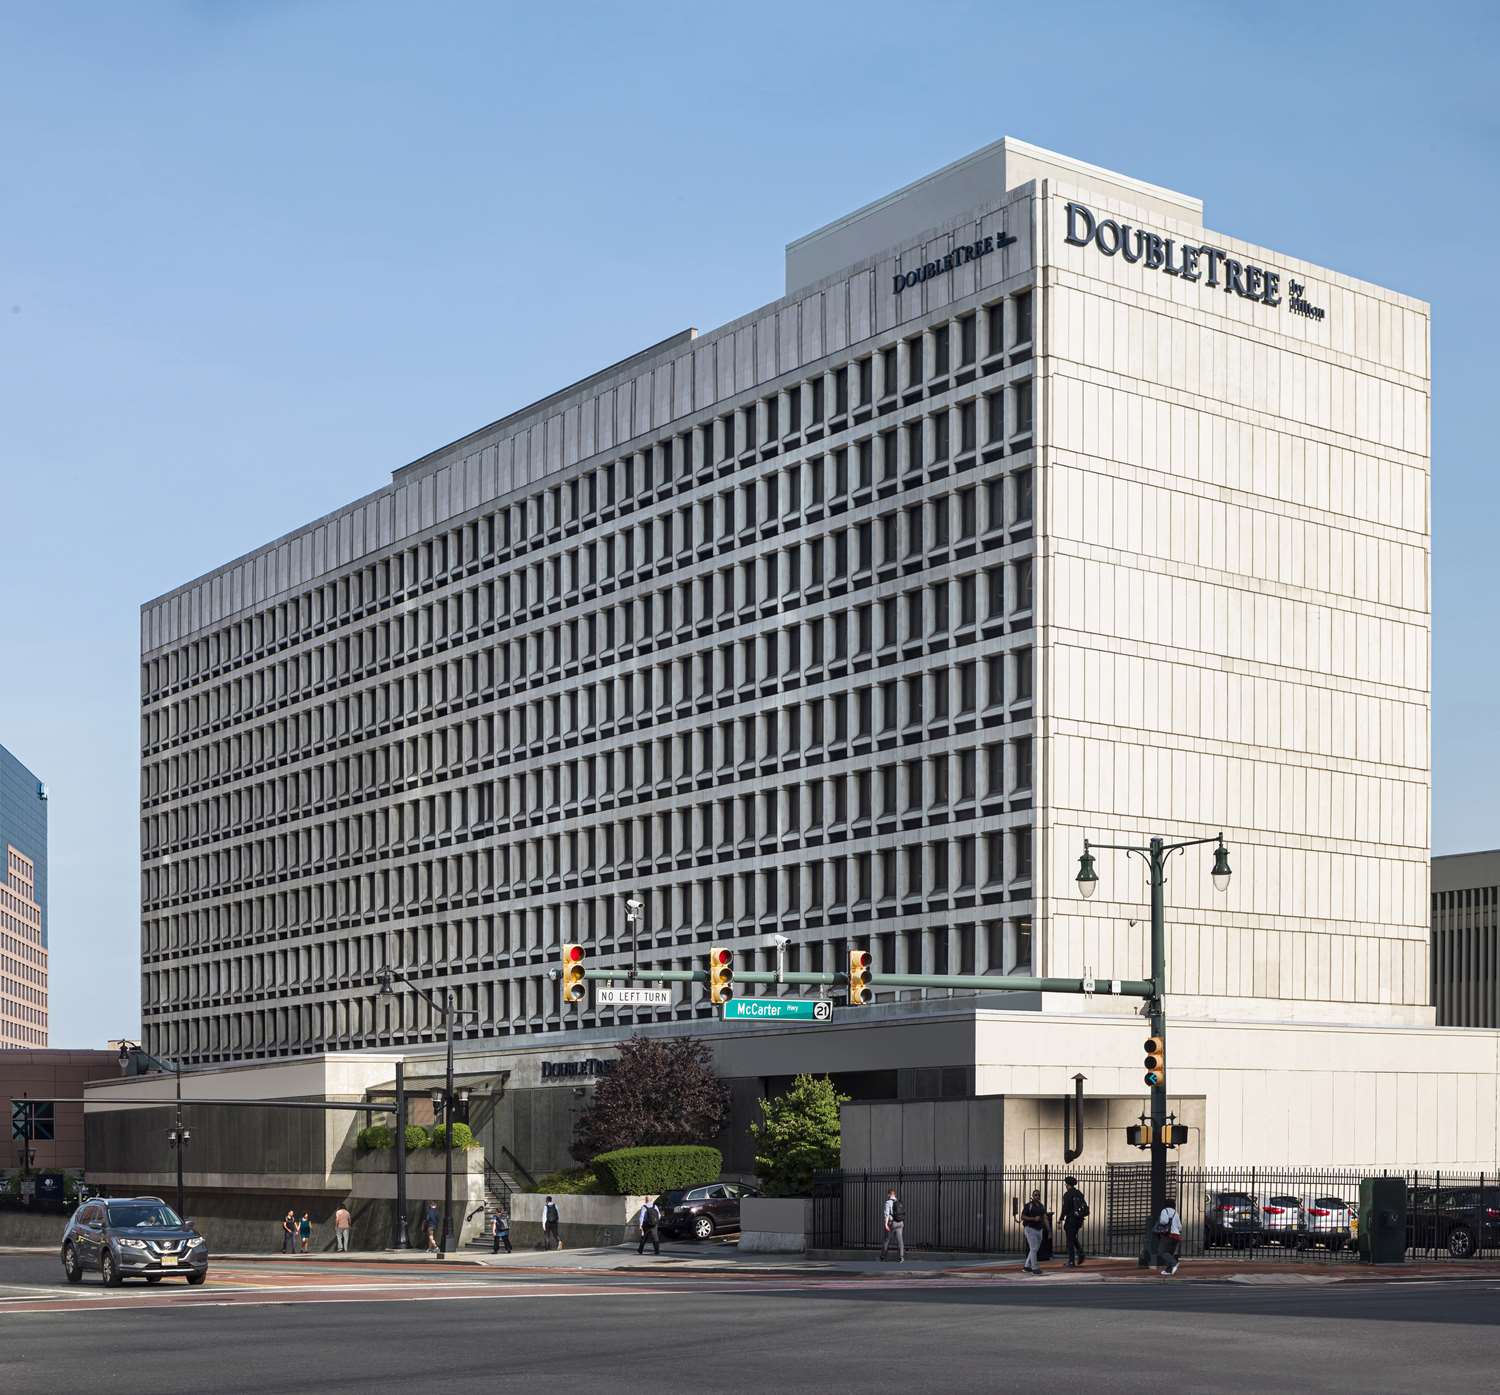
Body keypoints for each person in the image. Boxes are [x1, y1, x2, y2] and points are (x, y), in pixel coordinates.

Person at [1060, 1176, 1089, 1267]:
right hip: (1079, 1219)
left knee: (1070, 1241)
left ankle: (1071, 1261)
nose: (1065, 1185)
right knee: (1072, 1237)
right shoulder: (1079, 1193)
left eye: (1066, 1184)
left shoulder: (1067, 1194)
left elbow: (1065, 1208)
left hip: (1071, 1219)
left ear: (1068, 1184)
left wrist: (1061, 1218)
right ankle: (1080, 1252)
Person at [1020, 1189, 1048, 1274]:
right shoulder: (1029, 1205)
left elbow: (1045, 1218)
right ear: (1032, 1196)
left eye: (1039, 1195)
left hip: (1039, 1229)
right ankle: (1034, 1267)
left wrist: (1049, 1230)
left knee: (1034, 1249)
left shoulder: (1041, 1206)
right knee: (1034, 1248)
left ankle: (1027, 1266)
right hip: (1030, 1228)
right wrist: (1033, 1218)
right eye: (1035, 1195)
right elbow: (1022, 1217)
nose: (1037, 1196)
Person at [1155, 1196, 1183, 1275]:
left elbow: (1164, 1221)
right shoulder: (1175, 1212)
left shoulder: (1165, 1211)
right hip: (1176, 1236)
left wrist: (1160, 1222)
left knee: (1162, 1252)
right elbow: (1180, 1227)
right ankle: (1168, 1270)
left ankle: (1174, 1263)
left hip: (1168, 1235)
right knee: (1170, 1253)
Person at [880, 1188, 906, 1263]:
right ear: (894, 1194)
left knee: (887, 1240)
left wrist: (886, 1224)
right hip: (900, 1223)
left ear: (889, 1194)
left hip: (892, 1223)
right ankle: (901, 1257)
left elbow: (887, 1214)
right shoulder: (899, 1202)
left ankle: (883, 1257)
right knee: (900, 1240)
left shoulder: (888, 1202)